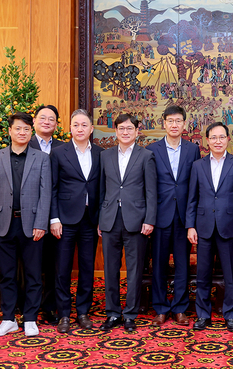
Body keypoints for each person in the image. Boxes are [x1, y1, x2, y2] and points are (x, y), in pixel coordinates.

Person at [0, 113, 51, 337]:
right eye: (18, 129)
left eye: (26, 129)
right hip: (3, 224)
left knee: (33, 274)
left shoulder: (41, 158)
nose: (22, 133)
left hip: (32, 225)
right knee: (7, 275)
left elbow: (45, 194)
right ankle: (8, 319)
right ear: (10, 131)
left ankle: (30, 319)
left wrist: (42, 222)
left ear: (31, 132)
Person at [185, 122, 233, 332]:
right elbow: (192, 199)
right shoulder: (197, 166)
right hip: (202, 228)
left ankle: (231, 314)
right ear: (207, 141)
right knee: (202, 274)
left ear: (228, 139)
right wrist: (190, 226)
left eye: (222, 137)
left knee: (231, 274)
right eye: (213, 137)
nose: (218, 141)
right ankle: (202, 315)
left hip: (229, 229)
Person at [98, 114, 157, 332]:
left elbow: (151, 192)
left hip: (136, 221)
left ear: (137, 131)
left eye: (129, 128)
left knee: (134, 270)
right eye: (121, 128)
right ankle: (113, 313)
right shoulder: (105, 156)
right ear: (115, 131)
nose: (125, 132)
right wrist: (99, 220)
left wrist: (149, 220)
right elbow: (101, 190)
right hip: (110, 219)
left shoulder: (146, 156)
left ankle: (130, 314)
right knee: (110, 269)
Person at [49, 110, 104, 333]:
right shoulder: (58, 152)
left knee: (87, 268)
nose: (80, 129)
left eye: (84, 125)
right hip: (64, 219)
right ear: (70, 128)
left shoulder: (101, 153)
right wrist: (54, 218)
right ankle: (63, 314)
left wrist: (101, 218)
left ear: (91, 129)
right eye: (75, 125)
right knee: (62, 269)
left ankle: (83, 312)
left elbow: (103, 189)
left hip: (90, 220)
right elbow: (52, 188)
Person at [147, 105, 200, 327]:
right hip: (159, 215)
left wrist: (192, 220)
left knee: (182, 265)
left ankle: (179, 308)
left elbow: (195, 186)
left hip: (183, 217)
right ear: (164, 124)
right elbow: (149, 186)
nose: (174, 125)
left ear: (184, 124)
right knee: (158, 264)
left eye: (178, 121)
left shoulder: (192, 149)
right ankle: (160, 308)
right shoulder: (152, 149)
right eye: (170, 121)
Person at [28, 104, 65, 325]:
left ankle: (49, 308)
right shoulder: (25, 144)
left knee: (53, 265)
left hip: (56, 217)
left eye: (51, 119)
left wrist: (55, 216)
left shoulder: (62, 148)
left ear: (57, 124)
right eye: (43, 118)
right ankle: (28, 307)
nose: (47, 122)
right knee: (30, 266)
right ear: (34, 121)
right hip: (30, 217)